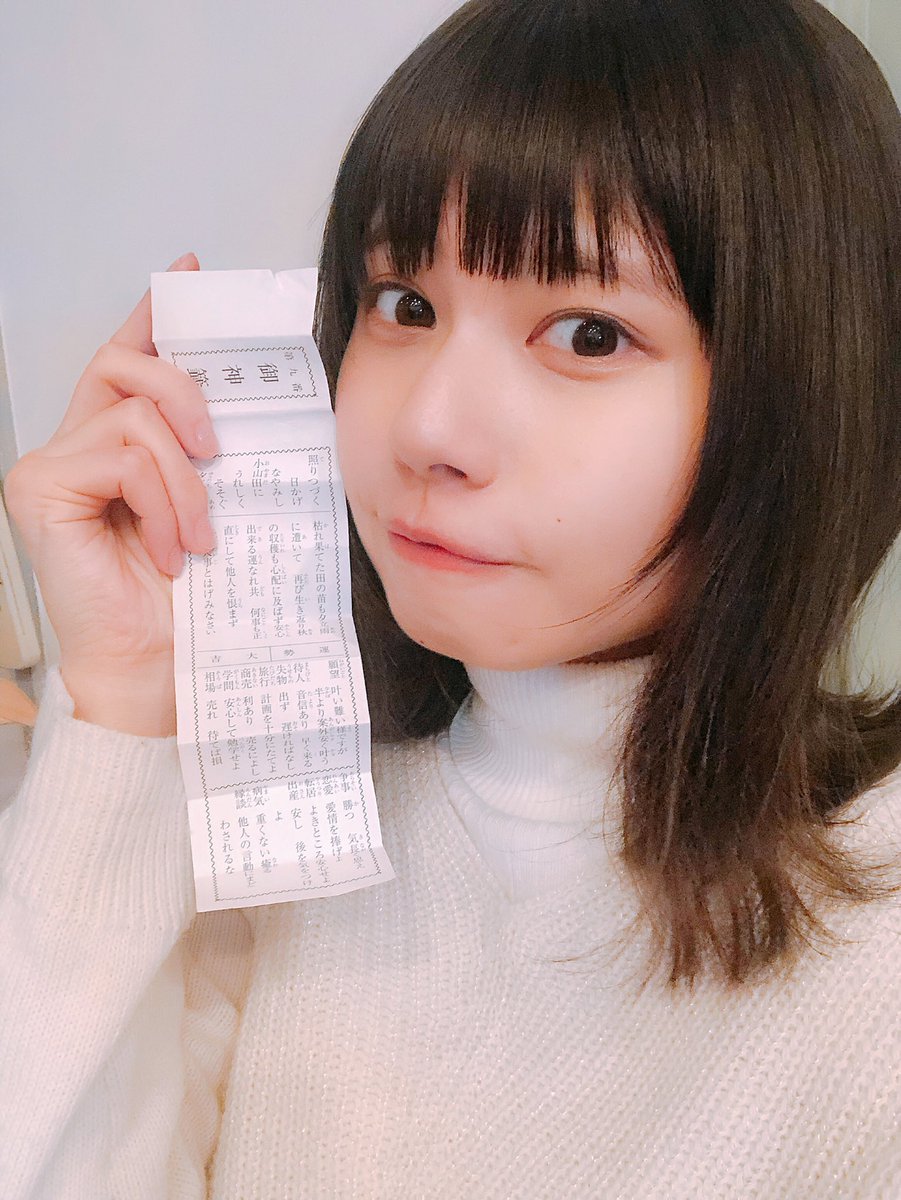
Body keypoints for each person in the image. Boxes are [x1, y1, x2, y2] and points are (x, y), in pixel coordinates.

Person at [2, 0, 901, 1195]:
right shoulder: (291, 816)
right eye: (404, 306)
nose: (427, 429)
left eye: (588, 334)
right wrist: (122, 704)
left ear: (808, 388)